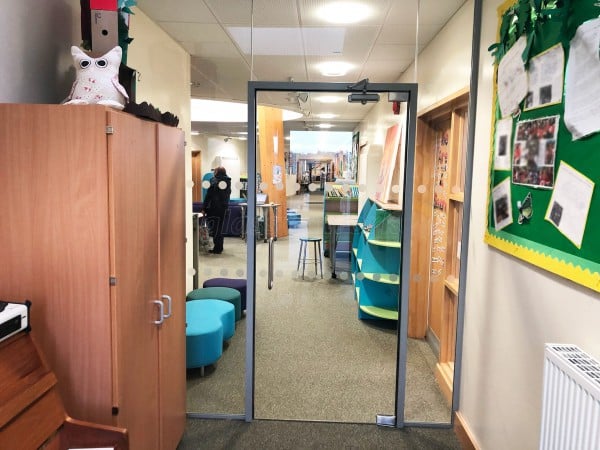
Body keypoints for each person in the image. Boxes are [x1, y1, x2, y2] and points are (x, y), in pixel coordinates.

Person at [203, 166, 231, 254]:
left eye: (215, 171)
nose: (214, 172)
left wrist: (204, 207)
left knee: (215, 229)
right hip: (223, 209)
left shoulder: (213, 180)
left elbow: (209, 196)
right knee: (219, 229)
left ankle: (217, 248)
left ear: (217, 172)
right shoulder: (228, 181)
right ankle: (219, 247)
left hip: (214, 209)